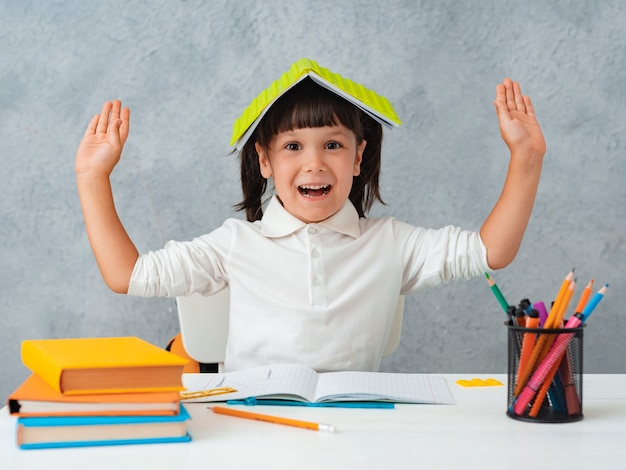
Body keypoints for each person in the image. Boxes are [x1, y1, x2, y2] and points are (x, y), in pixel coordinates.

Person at [75, 61, 545, 373]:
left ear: (359, 158)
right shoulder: (236, 243)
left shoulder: (391, 243)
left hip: (355, 435)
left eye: (334, 145)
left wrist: (526, 158)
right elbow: (127, 274)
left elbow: (491, 251)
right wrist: (92, 176)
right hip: (251, 427)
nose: (315, 163)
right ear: (265, 161)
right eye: (293, 147)